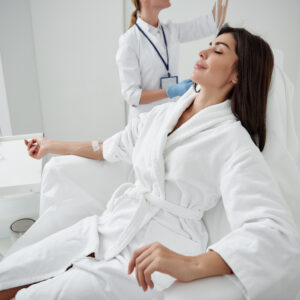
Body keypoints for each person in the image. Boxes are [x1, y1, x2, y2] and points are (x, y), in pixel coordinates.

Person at [1, 26, 300, 300]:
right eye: (209, 45)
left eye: (218, 50)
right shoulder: (162, 116)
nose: (203, 51)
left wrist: (191, 264)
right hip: (108, 227)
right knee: (9, 275)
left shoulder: (233, 142)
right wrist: (50, 146)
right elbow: (109, 148)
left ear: (238, 75)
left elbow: (274, 232)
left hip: (154, 251)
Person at [117, 0, 229, 120]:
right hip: (144, 121)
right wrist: (170, 91)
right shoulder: (130, 40)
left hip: (170, 116)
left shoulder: (170, 30)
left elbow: (212, 23)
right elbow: (132, 96)